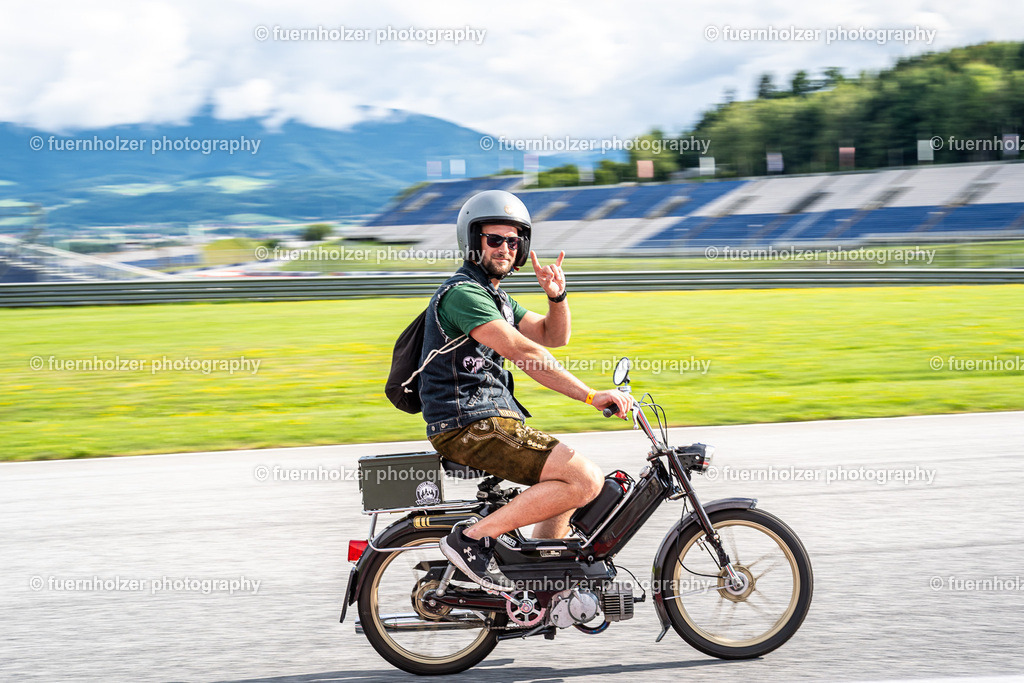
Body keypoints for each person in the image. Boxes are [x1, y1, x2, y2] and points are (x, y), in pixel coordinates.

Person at [418, 189, 632, 591]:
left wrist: (557, 296)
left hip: (487, 419)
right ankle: (471, 540)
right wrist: (590, 395)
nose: (504, 248)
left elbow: (554, 335)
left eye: (513, 241)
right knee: (584, 480)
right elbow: (522, 350)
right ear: (473, 241)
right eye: (494, 239)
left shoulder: (497, 298)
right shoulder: (464, 294)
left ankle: (545, 587)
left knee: (571, 485)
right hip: (468, 422)